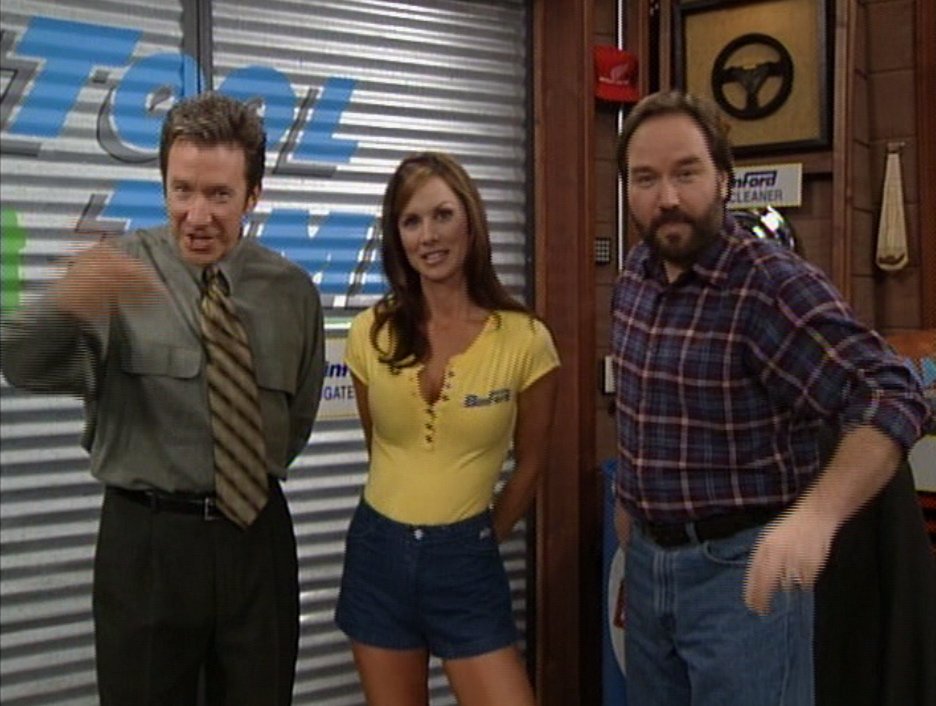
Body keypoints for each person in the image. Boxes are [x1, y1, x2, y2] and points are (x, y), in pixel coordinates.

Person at [1, 92, 325, 705]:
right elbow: (17, 361)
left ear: (253, 196)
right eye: (182, 191)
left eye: (219, 195)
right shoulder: (115, 271)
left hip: (255, 543)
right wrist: (66, 299)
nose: (197, 215)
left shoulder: (291, 293)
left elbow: (297, 420)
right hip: (147, 547)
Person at [610, 90, 930, 706]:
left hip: (741, 576)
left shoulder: (769, 285)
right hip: (649, 569)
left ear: (724, 179)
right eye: (645, 179)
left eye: (686, 173)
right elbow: (641, 404)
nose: (666, 197)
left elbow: (892, 393)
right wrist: (631, 509)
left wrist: (816, 517)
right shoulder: (636, 274)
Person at [334, 151, 559, 706]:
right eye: (411, 222)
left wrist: (480, 538)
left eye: (442, 215)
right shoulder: (369, 332)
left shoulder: (525, 340)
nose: (429, 236)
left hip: (467, 562)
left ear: (470, 222)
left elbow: (531, 463)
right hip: (378, 553)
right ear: (397, 238)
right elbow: (379, 446)